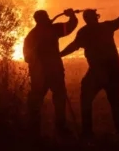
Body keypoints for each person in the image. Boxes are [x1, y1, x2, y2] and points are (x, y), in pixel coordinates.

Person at [59, 8, 119, 137]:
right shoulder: (106, 27)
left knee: (86, 99)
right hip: (112, 70)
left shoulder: (84, 32)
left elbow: (74, 46)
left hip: (97, 71)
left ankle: (87, 132)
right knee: (114, 100)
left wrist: (59, 55)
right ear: (96, 17)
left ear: (86, 19)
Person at [23, 8, 78, 136]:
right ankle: (54, 128)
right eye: (46, 17)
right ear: (42, 19)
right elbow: (70, 27)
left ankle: (40, 129)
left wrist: (72, 16)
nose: (49, 19)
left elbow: (27, 58)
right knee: (54, 99)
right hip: (49, 73)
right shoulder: (50, 31)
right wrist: (72, 16)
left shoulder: (33, 35)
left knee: (46, 100)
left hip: (44, 74)